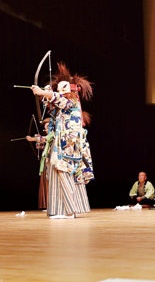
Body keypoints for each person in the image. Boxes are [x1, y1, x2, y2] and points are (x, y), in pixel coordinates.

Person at [30, 62, 93, 219]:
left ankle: (70, 210)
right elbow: (53, 103)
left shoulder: (72, 102)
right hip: (61, 144)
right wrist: (43, 94)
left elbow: (59, 100)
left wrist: (44, 93)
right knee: (57, 172)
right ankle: (61, 209)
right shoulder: (61, 108)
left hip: (68, 145)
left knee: (63, 171)